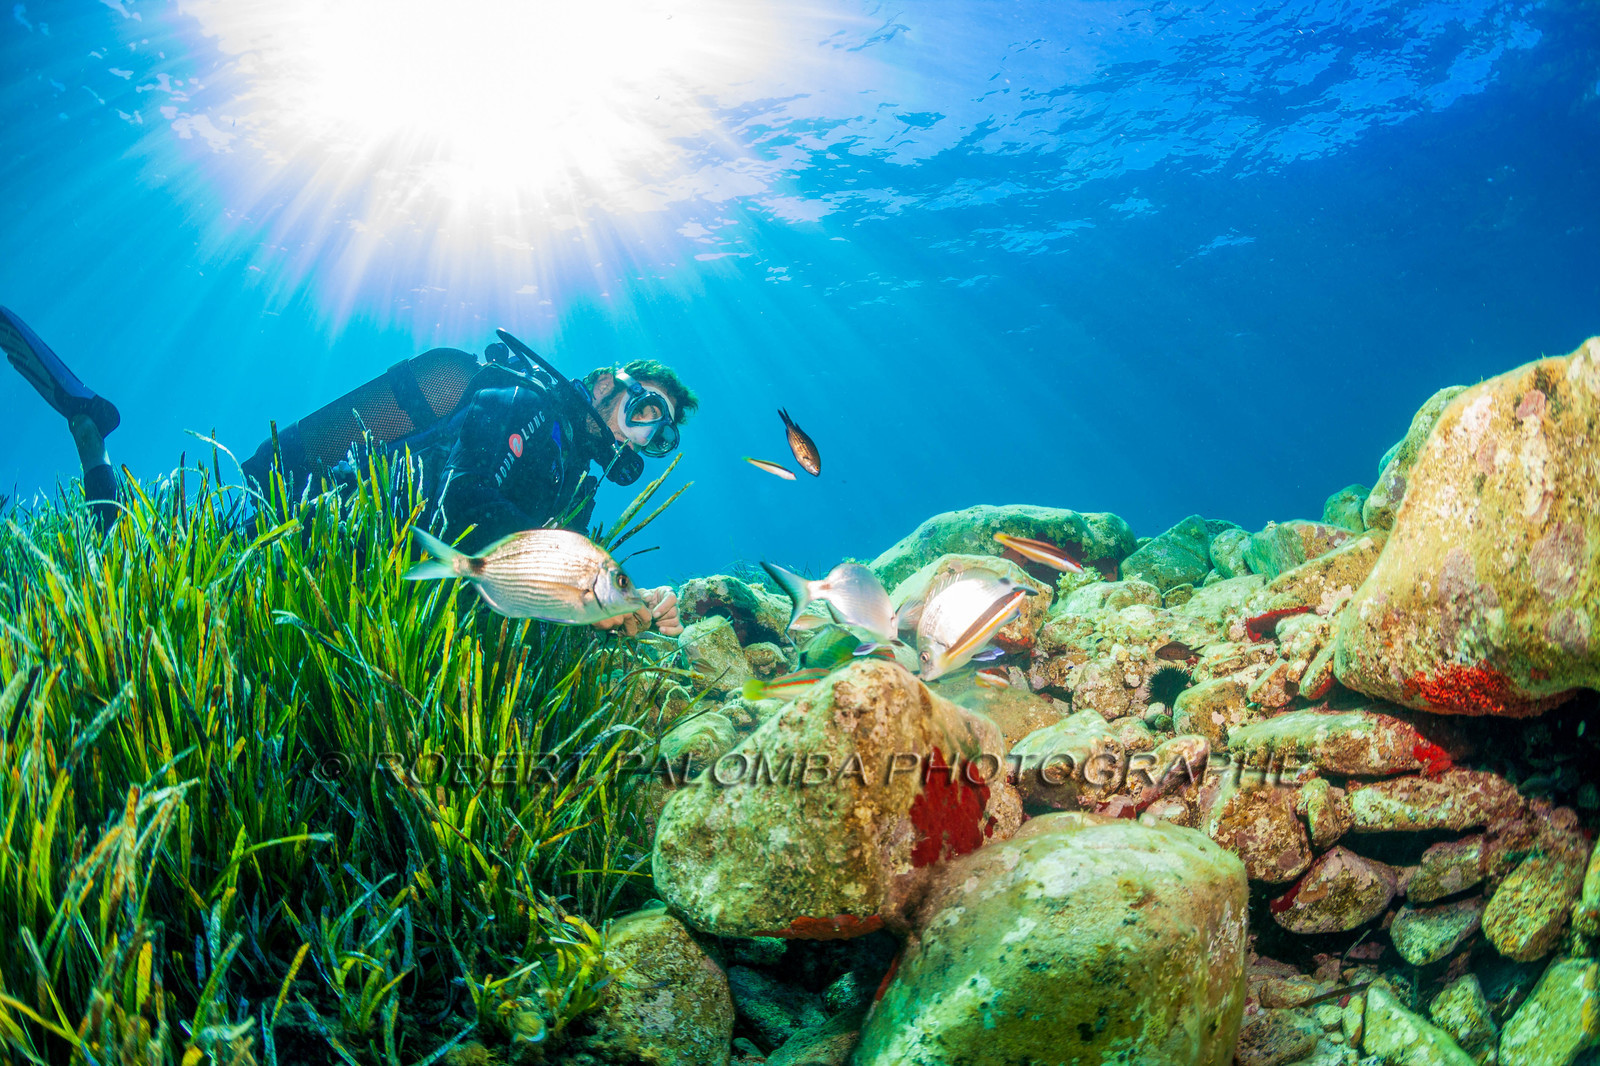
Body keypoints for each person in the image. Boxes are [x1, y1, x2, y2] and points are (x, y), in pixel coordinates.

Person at [3, 309, 690, 637]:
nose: (648, 431)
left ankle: (92, 443)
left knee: (138, 581)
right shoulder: (524, 404)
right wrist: (582, 587)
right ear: (604, 383)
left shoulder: (574, 479)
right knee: (127, 583)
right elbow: (468, 500)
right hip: (311, 521)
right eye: (647, 407)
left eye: (662, 434)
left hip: (355, 573)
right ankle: (90, 434)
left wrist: (611, 609)